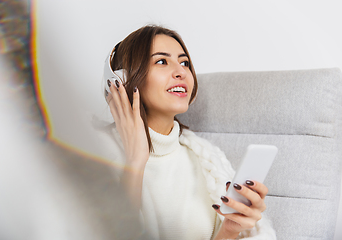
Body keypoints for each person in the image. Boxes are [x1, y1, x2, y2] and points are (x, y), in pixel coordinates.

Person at [101, 25, 276, 239]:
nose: (181, 72)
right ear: (122, 80)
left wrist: (229, 229)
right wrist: (136, 162)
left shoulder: (207, 161)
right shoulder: (92, 150)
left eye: (184, 62)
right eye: (162, 61)